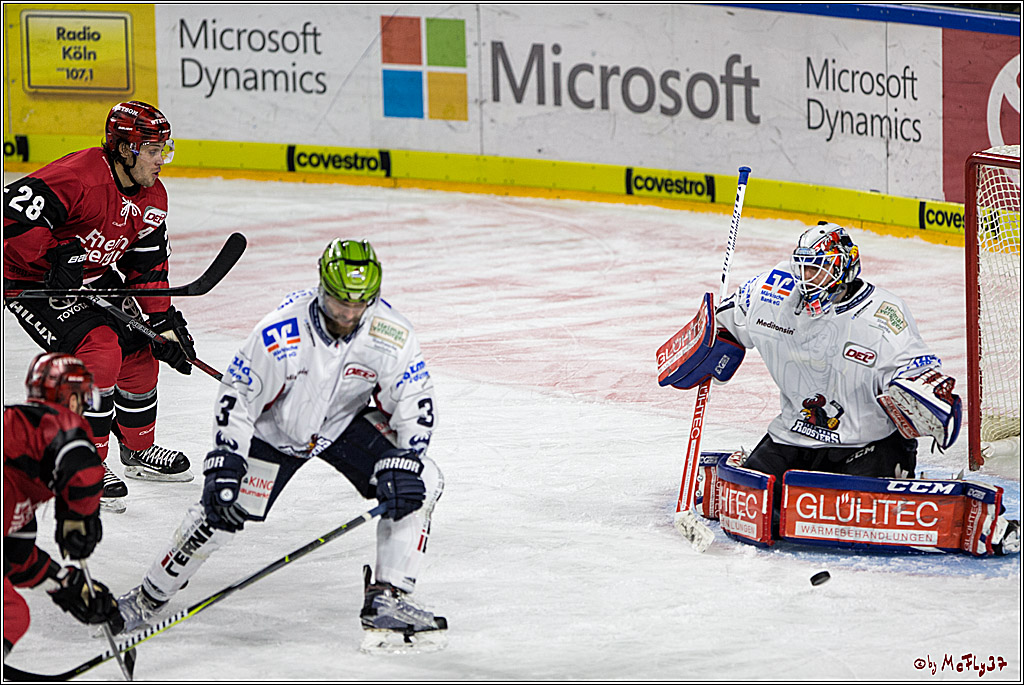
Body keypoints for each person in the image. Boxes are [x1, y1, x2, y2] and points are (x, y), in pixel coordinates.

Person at [114, 239, 446, 648]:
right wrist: (225, 461)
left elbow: (414, 401)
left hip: (345, 423)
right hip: (276, 433)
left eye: (358, 304)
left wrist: (408, 461)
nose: (347, 313)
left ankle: (388, 597)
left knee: (423, 481)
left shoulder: (390, 334)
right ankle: (148, 598)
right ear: (322, 287)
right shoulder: (279, 332)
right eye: (339, 301)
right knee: (219, 510)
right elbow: (237, 399)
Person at [691, 222, 1019, 553]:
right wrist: (711, 342)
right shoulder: (770, 292)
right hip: (793, 436)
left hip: (868, 443)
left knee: (857, 519)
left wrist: (924, 393)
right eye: (802, 267)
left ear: (845, 267)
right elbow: (724, 322)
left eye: (818, 269)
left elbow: (918, 372)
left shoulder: (883, 313)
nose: (807, 278)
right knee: (756, 506)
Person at [4, 101, 198, 514]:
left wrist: (162, 321)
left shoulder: (152, 198)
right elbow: (9, 216)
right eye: (152, 149)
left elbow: (146, 266)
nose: (161, 159)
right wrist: (55, 252)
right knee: (100, 351)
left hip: (88, 276)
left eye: (164, 149)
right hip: (28, 279)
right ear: (124, 149)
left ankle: (137, 451)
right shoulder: (80, 177)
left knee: (142, 351)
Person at [4, 353, 124, 656]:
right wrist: (79, 519)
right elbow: (80, 465)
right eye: (81, 398)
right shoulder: (55, 423)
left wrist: (68, 586)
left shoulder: (19, 446)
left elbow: (15, 557)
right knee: (10, 616)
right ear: (71, 399)